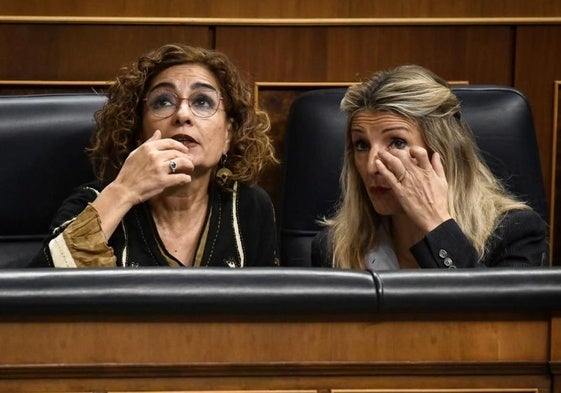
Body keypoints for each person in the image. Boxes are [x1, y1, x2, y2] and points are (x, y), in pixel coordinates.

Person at [32, 43, 279, 268]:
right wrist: (124, 191)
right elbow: (37, 297)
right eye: (163, 101)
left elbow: (272, 309)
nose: (183, 114)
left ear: (228, 135)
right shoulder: (92, 202)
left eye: (202, 101)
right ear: (138, 132)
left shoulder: (248, 206)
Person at [312, 64, 549, 269]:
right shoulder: (334, 247)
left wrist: (438, 226)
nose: (373, 165)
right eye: (362, 145)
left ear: (442, 151)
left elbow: (489, 320)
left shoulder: (514, 234)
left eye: (396, 142)